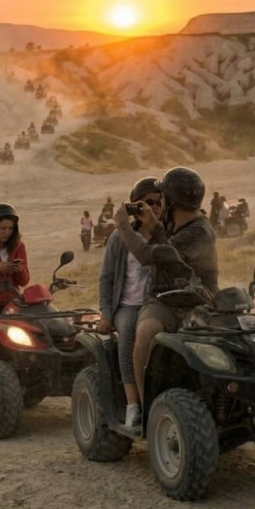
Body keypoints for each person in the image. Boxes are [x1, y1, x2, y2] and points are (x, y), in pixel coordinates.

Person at [113, 167, 218, 418]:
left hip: (197, 300)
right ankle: (144, 407)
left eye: (162, 198)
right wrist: (153, 225)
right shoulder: (173, 224)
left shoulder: (199, 231)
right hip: (163, 299)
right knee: (145, 332)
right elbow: (165, 245)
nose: (158, 202)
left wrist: (123, 227)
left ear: (170, 202)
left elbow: (150, 255)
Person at [97, 178, 160, 427]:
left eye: (159, 202)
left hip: (157, 304)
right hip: (128, 304)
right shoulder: (120, 236)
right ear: (136, 205)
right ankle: (133, 404)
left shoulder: (164, 236)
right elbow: (106, 277)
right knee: (128, 337)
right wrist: (106, 313)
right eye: (148, 202)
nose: (154, 207)